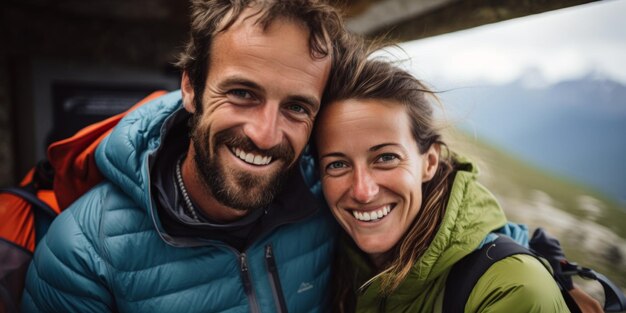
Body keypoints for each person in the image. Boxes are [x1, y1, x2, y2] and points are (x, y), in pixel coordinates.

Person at [21, 1, 350, 312]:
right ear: (191, 88)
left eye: (296, 107)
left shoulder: (331, 202)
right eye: (242, 93)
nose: (265, 135)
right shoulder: (83, 253)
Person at [313, 57, 571, 312]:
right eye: (337, 164)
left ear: (430, 161)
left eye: (386, 158)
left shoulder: (513, 288)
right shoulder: (336, 263)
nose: (362, 191)